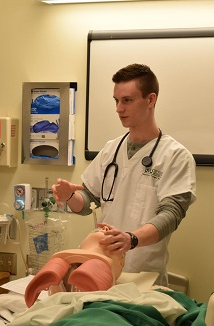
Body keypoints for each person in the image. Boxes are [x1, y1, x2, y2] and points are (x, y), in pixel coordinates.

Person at [52, 64, 196, 286]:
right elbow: (87, 202)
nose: (119, 108)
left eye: (127, 100)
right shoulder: (111, 150)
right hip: (101, 270)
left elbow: (171, 214)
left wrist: (131, 239)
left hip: (144, 277)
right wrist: (69, 196)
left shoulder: (175, 156)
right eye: (116, 101)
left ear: (150, 100)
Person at [25, 226, 125, 307]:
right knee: (63, 266)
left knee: (59, 264)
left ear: (121, 264)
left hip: (94, 270)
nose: (105, 228)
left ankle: (58, 269)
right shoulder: (70, 260)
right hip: (89, 270)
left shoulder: (105, 266)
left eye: (116, 243)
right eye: (96, 231)